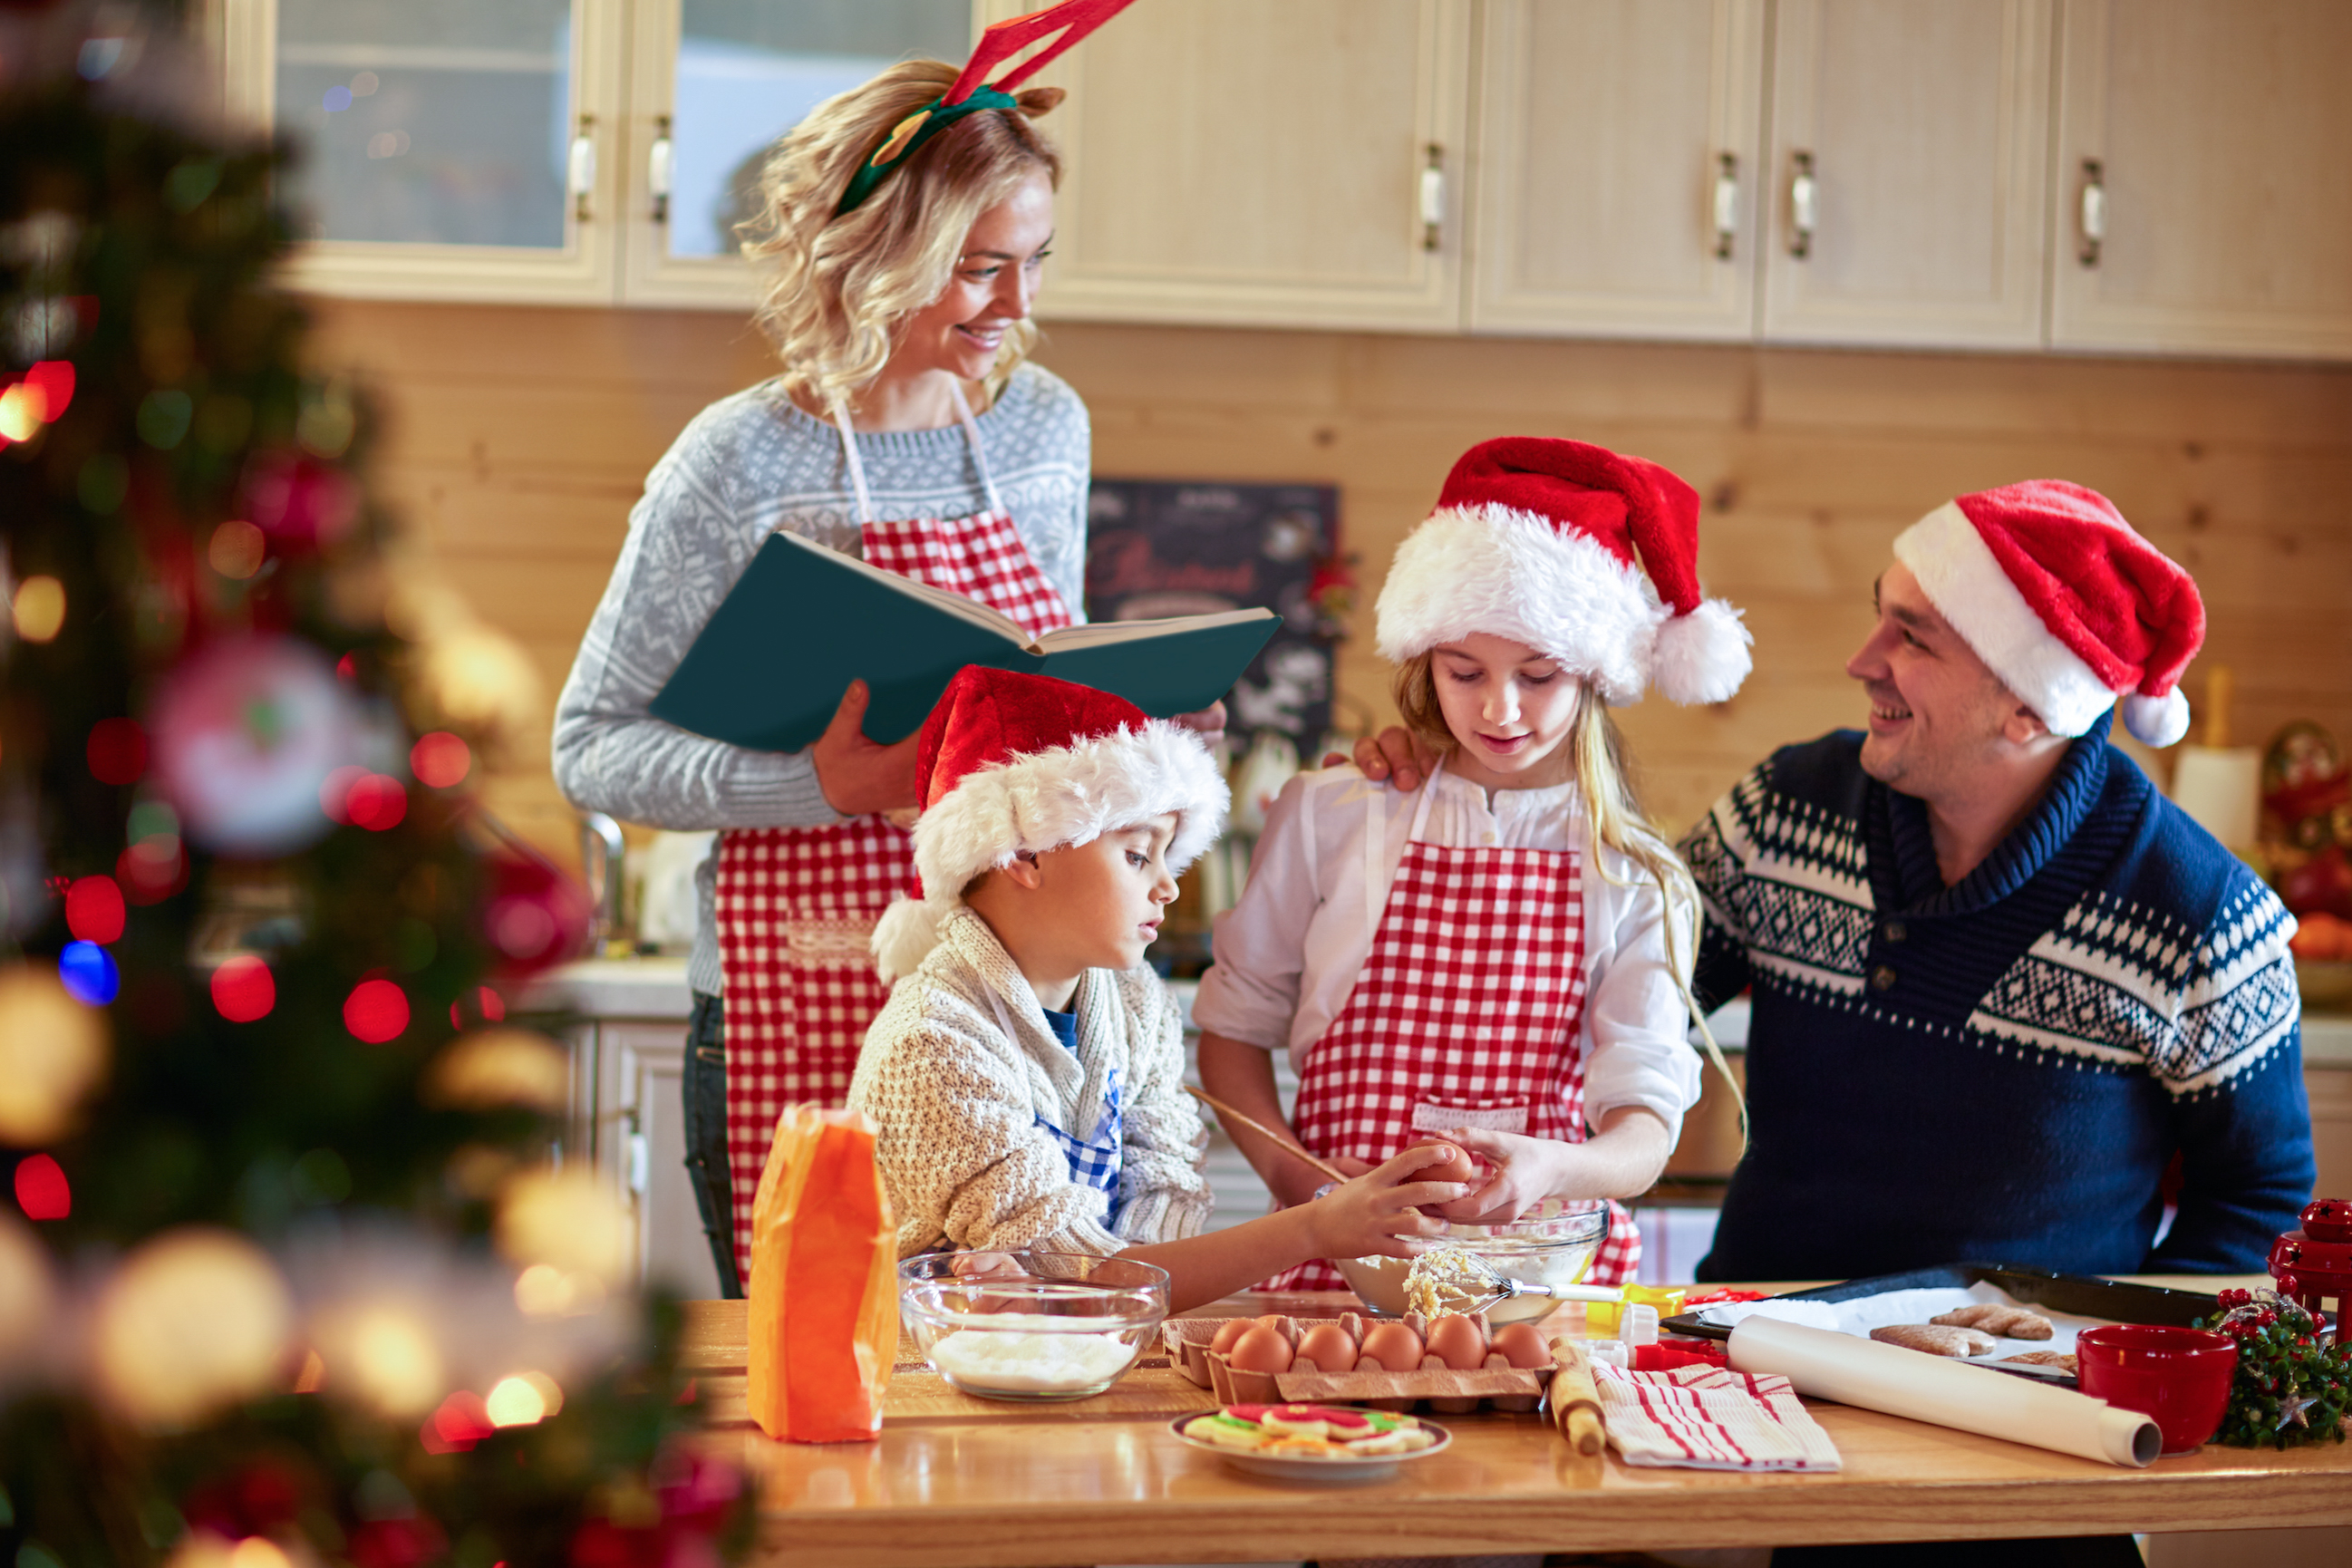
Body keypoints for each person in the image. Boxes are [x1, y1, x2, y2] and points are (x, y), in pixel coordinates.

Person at [552, 23, 1215, 1295]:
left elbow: (1041, 716)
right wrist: (821, 786)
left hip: (1007, 1023)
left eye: (1033, 262)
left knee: (1022, 1361)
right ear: (872, 256)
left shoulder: (1040, 430)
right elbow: (590, 744)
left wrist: (1140, 753)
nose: (1018, 307)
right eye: (977, 269)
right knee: (824, 1396)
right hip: (789, 996)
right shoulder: (736, 462)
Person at [1675, 480, 2312, 1281]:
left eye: (1912, 638)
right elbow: (1633, 995)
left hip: (2019, 1391)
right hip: (1746, 1352)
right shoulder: (1782, 809)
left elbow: (2259, 1202)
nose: (1861, 662)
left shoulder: (2203, 920)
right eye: (1881, 616)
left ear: (2029, 709)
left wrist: (2108, 1348)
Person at [1190, 439, 1749, 1289]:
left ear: (1595, 676)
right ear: (1426, 660)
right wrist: (1308, 1197)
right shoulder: (1334, 814)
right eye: (1465, 670)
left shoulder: (1635, 875)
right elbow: (1232, 1038)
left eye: (1537, 676)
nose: (1499, 708)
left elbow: (1641, 1134)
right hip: (1337, 1273)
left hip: (1541, 1276)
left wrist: (1549, 1170)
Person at [847, 666, 1469, 1310]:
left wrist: (1132, 1298)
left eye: (1167, 857)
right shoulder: (931, 1043)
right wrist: (1312, 1228)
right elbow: (1063, 1270)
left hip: (1092, 1350)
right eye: (1137, 855)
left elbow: (1163, 1188)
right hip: (934, 1373)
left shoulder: (1135, 1001)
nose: (1167, 887)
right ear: (1022, 855)